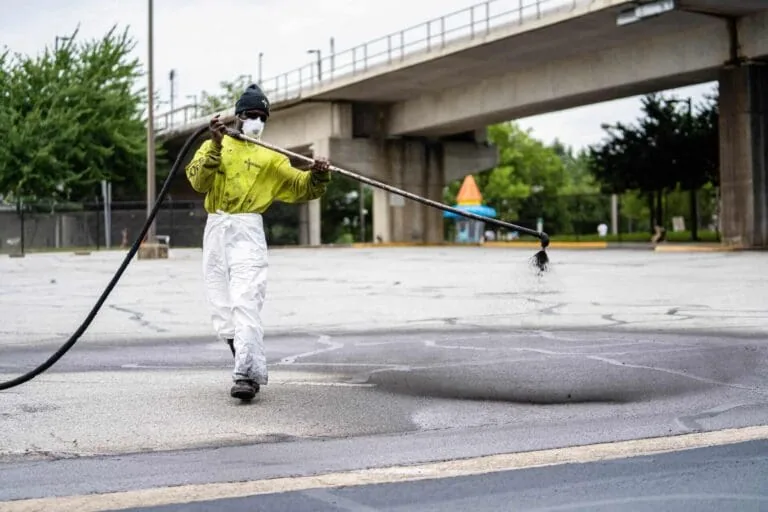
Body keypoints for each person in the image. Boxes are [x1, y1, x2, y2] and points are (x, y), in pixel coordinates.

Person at [185, 83, 331, 401]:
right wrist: (213, 145)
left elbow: (301, 186)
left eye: (262, 117)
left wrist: (318, 174)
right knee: (222, 309)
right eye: (251, 115)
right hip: (216, 228)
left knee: (245, 300)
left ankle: (247, 375)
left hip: (247, 232)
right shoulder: (217, 144)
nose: (257, 121)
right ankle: (245, 356)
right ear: (239, 116)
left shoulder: (271, 157)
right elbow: (197, 180)